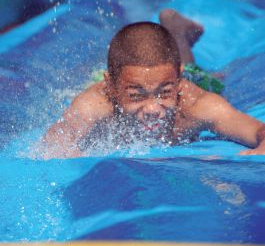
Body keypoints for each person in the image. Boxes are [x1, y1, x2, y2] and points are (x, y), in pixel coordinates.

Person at [42, 9, 265, 158]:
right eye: (137, 96)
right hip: (125, 75)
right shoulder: (96, 104)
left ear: (178, 82)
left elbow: (257, 130)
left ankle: (177, 31)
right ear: (110, 86)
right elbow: (57, 139)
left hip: (182, 74)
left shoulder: (197, 105)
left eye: (165, 93)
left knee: (209, 79)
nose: (152, 109)